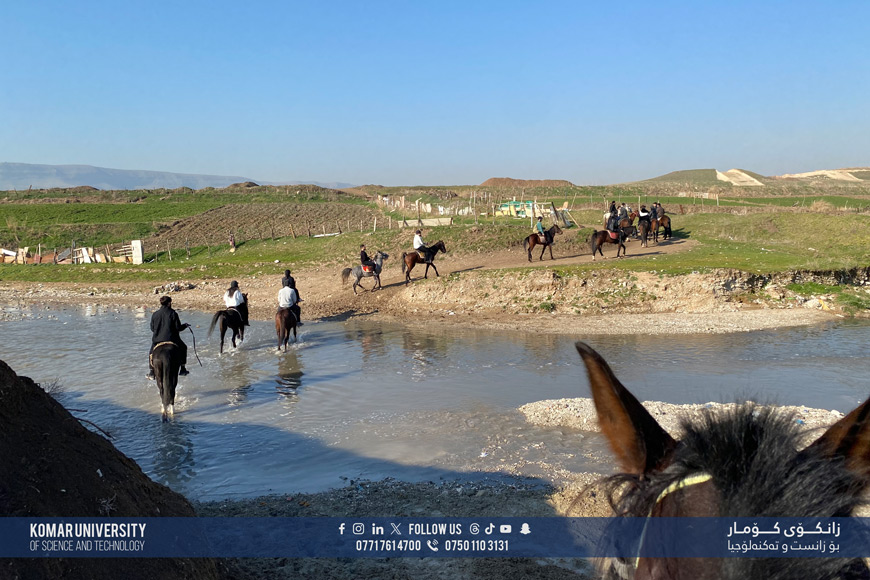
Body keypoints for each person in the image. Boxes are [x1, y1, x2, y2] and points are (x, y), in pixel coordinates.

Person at [147, 295, 189, 379]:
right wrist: (185, 325)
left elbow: (152, 328)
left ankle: (151, 371)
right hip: (172, 339)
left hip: (157, 340)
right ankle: (183, 368)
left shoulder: (155, 314)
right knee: (184, 347)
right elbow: (178, 328)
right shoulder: (173, 313)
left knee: (151, 352)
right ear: (169, 303)